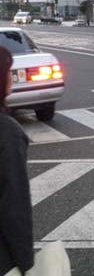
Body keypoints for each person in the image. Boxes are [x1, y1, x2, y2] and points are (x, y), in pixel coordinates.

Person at [0, 47, 34, 276]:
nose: (12, 77)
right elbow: (14, 206)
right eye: (8, 71)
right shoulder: (7, 132)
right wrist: (26, 264)